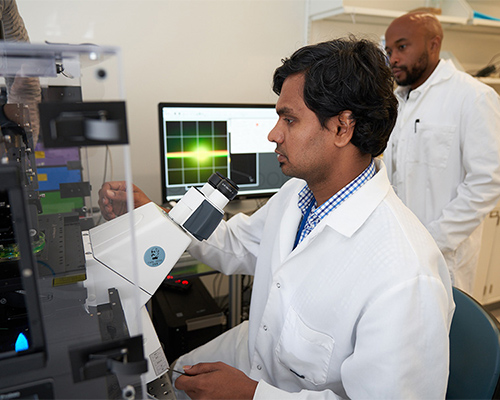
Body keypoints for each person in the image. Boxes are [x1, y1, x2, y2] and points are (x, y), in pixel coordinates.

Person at [99, 37, 454, 399]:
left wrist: (253, 395)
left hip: (264, 388)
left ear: (342, 128)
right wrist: (155, 215)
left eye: (289, 119)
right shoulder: (298, 196)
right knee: (162, 378)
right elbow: (235, 244)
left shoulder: (404, 275)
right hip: (255, 358)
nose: (273, 134)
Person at [384, 12, 500, 294]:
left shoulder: (472, 96)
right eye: (388, 51)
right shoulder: (397, 101)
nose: (393, 59)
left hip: (446, 256)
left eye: (402, 47)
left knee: (447, 332)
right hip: (397, 247)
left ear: (433, 45)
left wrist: (435, 239)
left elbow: (488, 180)